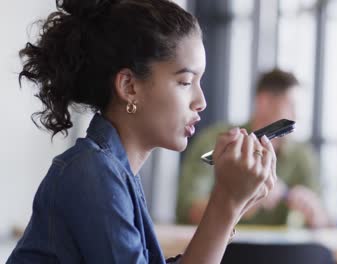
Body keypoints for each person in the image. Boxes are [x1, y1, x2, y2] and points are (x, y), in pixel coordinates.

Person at [7, 1, 277, 263]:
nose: (201, 101)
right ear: (129, 87)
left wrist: (235, 203)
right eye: (185, 82)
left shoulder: (114, 172)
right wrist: (225, 202)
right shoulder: (91, 173)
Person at [177, 69, 329, 228]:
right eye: (291, 105)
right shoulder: (216, 141)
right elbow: (188, 211)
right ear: (263, 102)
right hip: (226, 250)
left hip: (281, 252)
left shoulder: (303, 155)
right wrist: (245, 201)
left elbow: (325, 223)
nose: (297, 115)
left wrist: (314, 211)